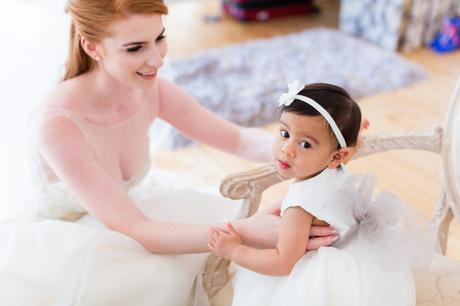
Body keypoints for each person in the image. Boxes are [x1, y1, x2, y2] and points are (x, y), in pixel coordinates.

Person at [0, 1, 339, 306]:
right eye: (135, 48)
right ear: (92, 47)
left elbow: (236, 139)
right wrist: (246, 231)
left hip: (138, 214)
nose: (158, 58)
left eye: (159, 38)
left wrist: (317, 142)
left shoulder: (149, 89)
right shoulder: (56, 124)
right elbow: (137, 229)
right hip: (81, 242)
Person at [209, 81, 416, 306]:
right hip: (361, 253)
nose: (287, 149)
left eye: (305, 144)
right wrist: (356, 133)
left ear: (337, 156)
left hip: (328, 277)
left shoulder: (299, 207)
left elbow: (283, 262)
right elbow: (348, 148)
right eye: (284, 133)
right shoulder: (334, 164)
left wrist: (235, 250)